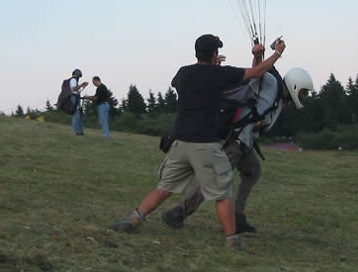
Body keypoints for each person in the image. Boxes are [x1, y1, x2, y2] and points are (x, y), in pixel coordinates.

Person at [111, 33, 287, 249]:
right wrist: (276, 53)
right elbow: (256, 74)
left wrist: (213, 67)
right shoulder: (220, 75)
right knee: (222, 192)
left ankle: (134, 218)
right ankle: (232, 239)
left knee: (164, 188)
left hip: (179, 143)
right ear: (214, 54)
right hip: (204, 144)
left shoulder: (183, 73)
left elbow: (195, 79)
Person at [161, 42, 314, 234]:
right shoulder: (273, 84)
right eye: (303, 92)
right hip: (235, 141)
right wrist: (262, 55)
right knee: (217, 181)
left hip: (245, 144)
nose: (304, 96)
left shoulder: (280, 101)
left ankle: (238, 215)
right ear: (294, 85)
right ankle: (178, 212)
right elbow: (257, 73)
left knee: (253, 171)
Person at [68, 69, 89, 135]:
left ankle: (80, 131)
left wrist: (83, 86)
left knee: (79, 115)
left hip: (76, 97)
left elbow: (76, 90)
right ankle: (76, 131)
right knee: (76, 115)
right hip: (74, 98)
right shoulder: (73, 80)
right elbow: (74, 89)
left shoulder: (74, 81)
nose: (78, 77)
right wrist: (81, 85)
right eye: (78, 76)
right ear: (76, 74)